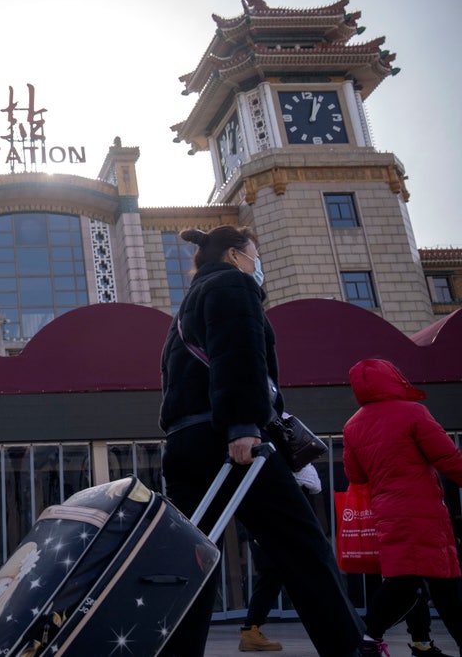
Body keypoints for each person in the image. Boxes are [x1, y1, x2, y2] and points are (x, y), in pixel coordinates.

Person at [157, 225, 363, 657]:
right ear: (235, 255)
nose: (258, 262)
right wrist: (244, 426)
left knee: (195, 559)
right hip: (231, 442)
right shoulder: (234, 284)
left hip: (184, 444)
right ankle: (349, 648)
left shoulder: (187, 306)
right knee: (304, 549)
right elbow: (240, 355)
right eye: (255, 253)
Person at [343, 358, 462, 656]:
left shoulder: (352, 425)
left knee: (411, 580)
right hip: (423, 512)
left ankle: (418, 644)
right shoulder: (413, 412)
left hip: (387, 511)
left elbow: (356, 476)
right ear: (394, 378)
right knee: (437, 583)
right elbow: (447, 458)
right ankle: (366, 638)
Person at [238, 463, 322, 652]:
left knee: (272, 579)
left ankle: (251, 630)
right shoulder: (278, 466)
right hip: (272, 530)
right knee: (276, 578)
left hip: (267, 529)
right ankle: (250, 631)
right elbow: (314, 483)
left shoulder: (265, 466)